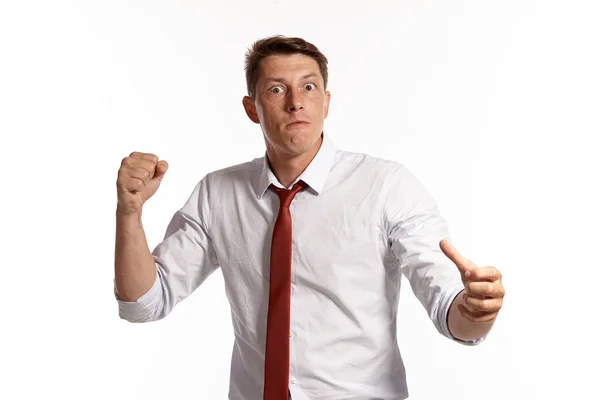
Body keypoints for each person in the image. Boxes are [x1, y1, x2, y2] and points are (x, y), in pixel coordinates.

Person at [114, 35, 505, 400]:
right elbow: (146, 302)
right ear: (252, 108)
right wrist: (129, 212)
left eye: (309, 87)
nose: (295, 102)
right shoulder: (218, 194)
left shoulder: (386, 186)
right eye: (276, 89)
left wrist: (475, 310)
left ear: (327, 102)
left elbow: (450, 309)